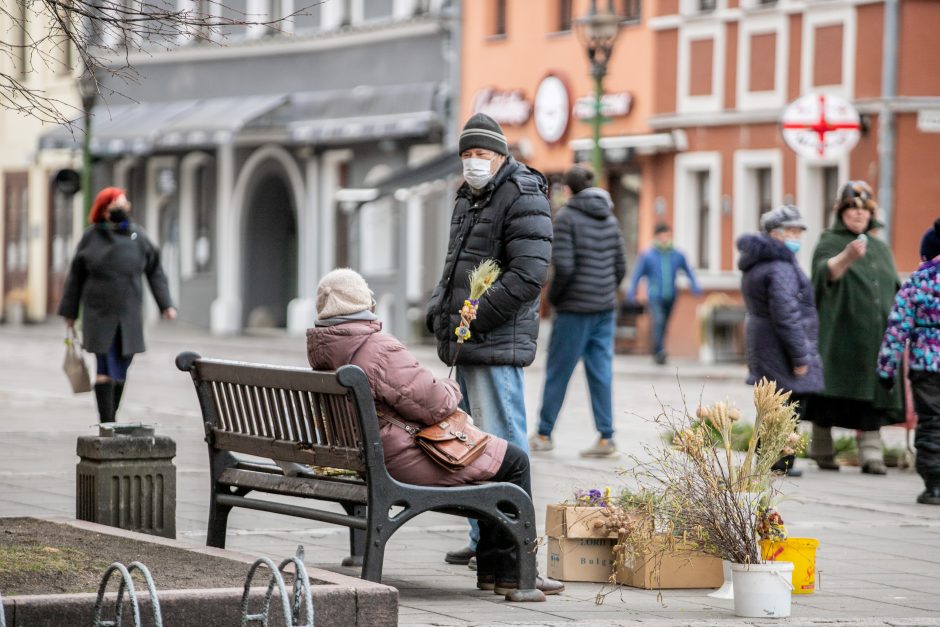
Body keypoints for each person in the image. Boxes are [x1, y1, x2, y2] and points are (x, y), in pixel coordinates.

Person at [309, 268, 563, 595]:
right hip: (399, 459)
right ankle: (512, 574)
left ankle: (492, 571)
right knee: (513, 462)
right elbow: (435, 404)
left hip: (366, 455)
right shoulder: (376, 348)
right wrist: (450, 387)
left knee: (490, 461)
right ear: (362, 300)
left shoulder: (323, 348)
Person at [425, 112, 552, 566]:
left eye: (481, 154)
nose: (473, 162)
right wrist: (439, 309)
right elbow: (456, 265)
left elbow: (528, 276)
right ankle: (483, 541)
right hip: (467, 338)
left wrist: (474, 317)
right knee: (471, 446)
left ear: (500, 156)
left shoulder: (522, 194)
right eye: (466, 155)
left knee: (502, 443)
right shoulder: (469, 197)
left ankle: (516, 549)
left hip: (495, 342)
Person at [806, 181, 904, 475]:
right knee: (829, 395)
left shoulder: (880, 248)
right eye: (852, 208)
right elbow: (825, 274)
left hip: (873, 338)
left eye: (864, 209)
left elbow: (894, 288)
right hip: (839, 334)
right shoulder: (829, 241)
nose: (858, 214)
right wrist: (847, 257)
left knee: (871, 398)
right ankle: (822, 448)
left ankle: (872, 454)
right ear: (841, 211)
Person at [529, 165, 626, 458]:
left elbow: (565, 267)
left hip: (574, 308)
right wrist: (605, 291)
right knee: (601, 371)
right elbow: (620, 266)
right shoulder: (610, 218)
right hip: (604, 308)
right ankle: (606, 437)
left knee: (559, 371)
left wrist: (555, 299)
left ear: (567, 190)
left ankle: (545, 433)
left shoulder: (567, 217)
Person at [58, 187, 176, 423]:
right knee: (104, 365)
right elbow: (75, 278)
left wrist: (166, 304)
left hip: (129, 313)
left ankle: (111, 416)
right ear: (104, 210)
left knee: (122, 366)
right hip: (98, 313)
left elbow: (155, 271)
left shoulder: (138, 237)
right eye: (117, 204)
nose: (123, 208)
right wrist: (70, 312)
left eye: (125, 203)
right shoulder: (91, 237)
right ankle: (107, 421)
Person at [736, 206, 824, 477]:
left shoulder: (761, 262)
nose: (797, 236)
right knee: (786, 403)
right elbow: (786, 314)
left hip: (766, 341)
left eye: (799, 231)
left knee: (773, 402)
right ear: (775, 234)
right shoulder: (780, 266)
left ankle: (769, 461)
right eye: (792, 231)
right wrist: (800, 356)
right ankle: (779, 463)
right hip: (779, 344)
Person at [877, 219, 940, 504]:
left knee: (931, 422)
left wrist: (886, 370)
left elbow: (896, 330)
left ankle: (935, 485)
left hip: (926, 366)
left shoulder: (916, 283)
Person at [627, 222, 701, 364]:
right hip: (655, 295)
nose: (666, 238)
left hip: (671, 295)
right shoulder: (648, 255)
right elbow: (637, 275)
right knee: (659, 321)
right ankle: (659, 351)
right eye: (663, 235)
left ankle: (657, 350)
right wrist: (632, 291)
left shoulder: (677, 254)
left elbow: (688, 270)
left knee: (664, 323)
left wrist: (694, 285)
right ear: (657, 236)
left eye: (668, 235)